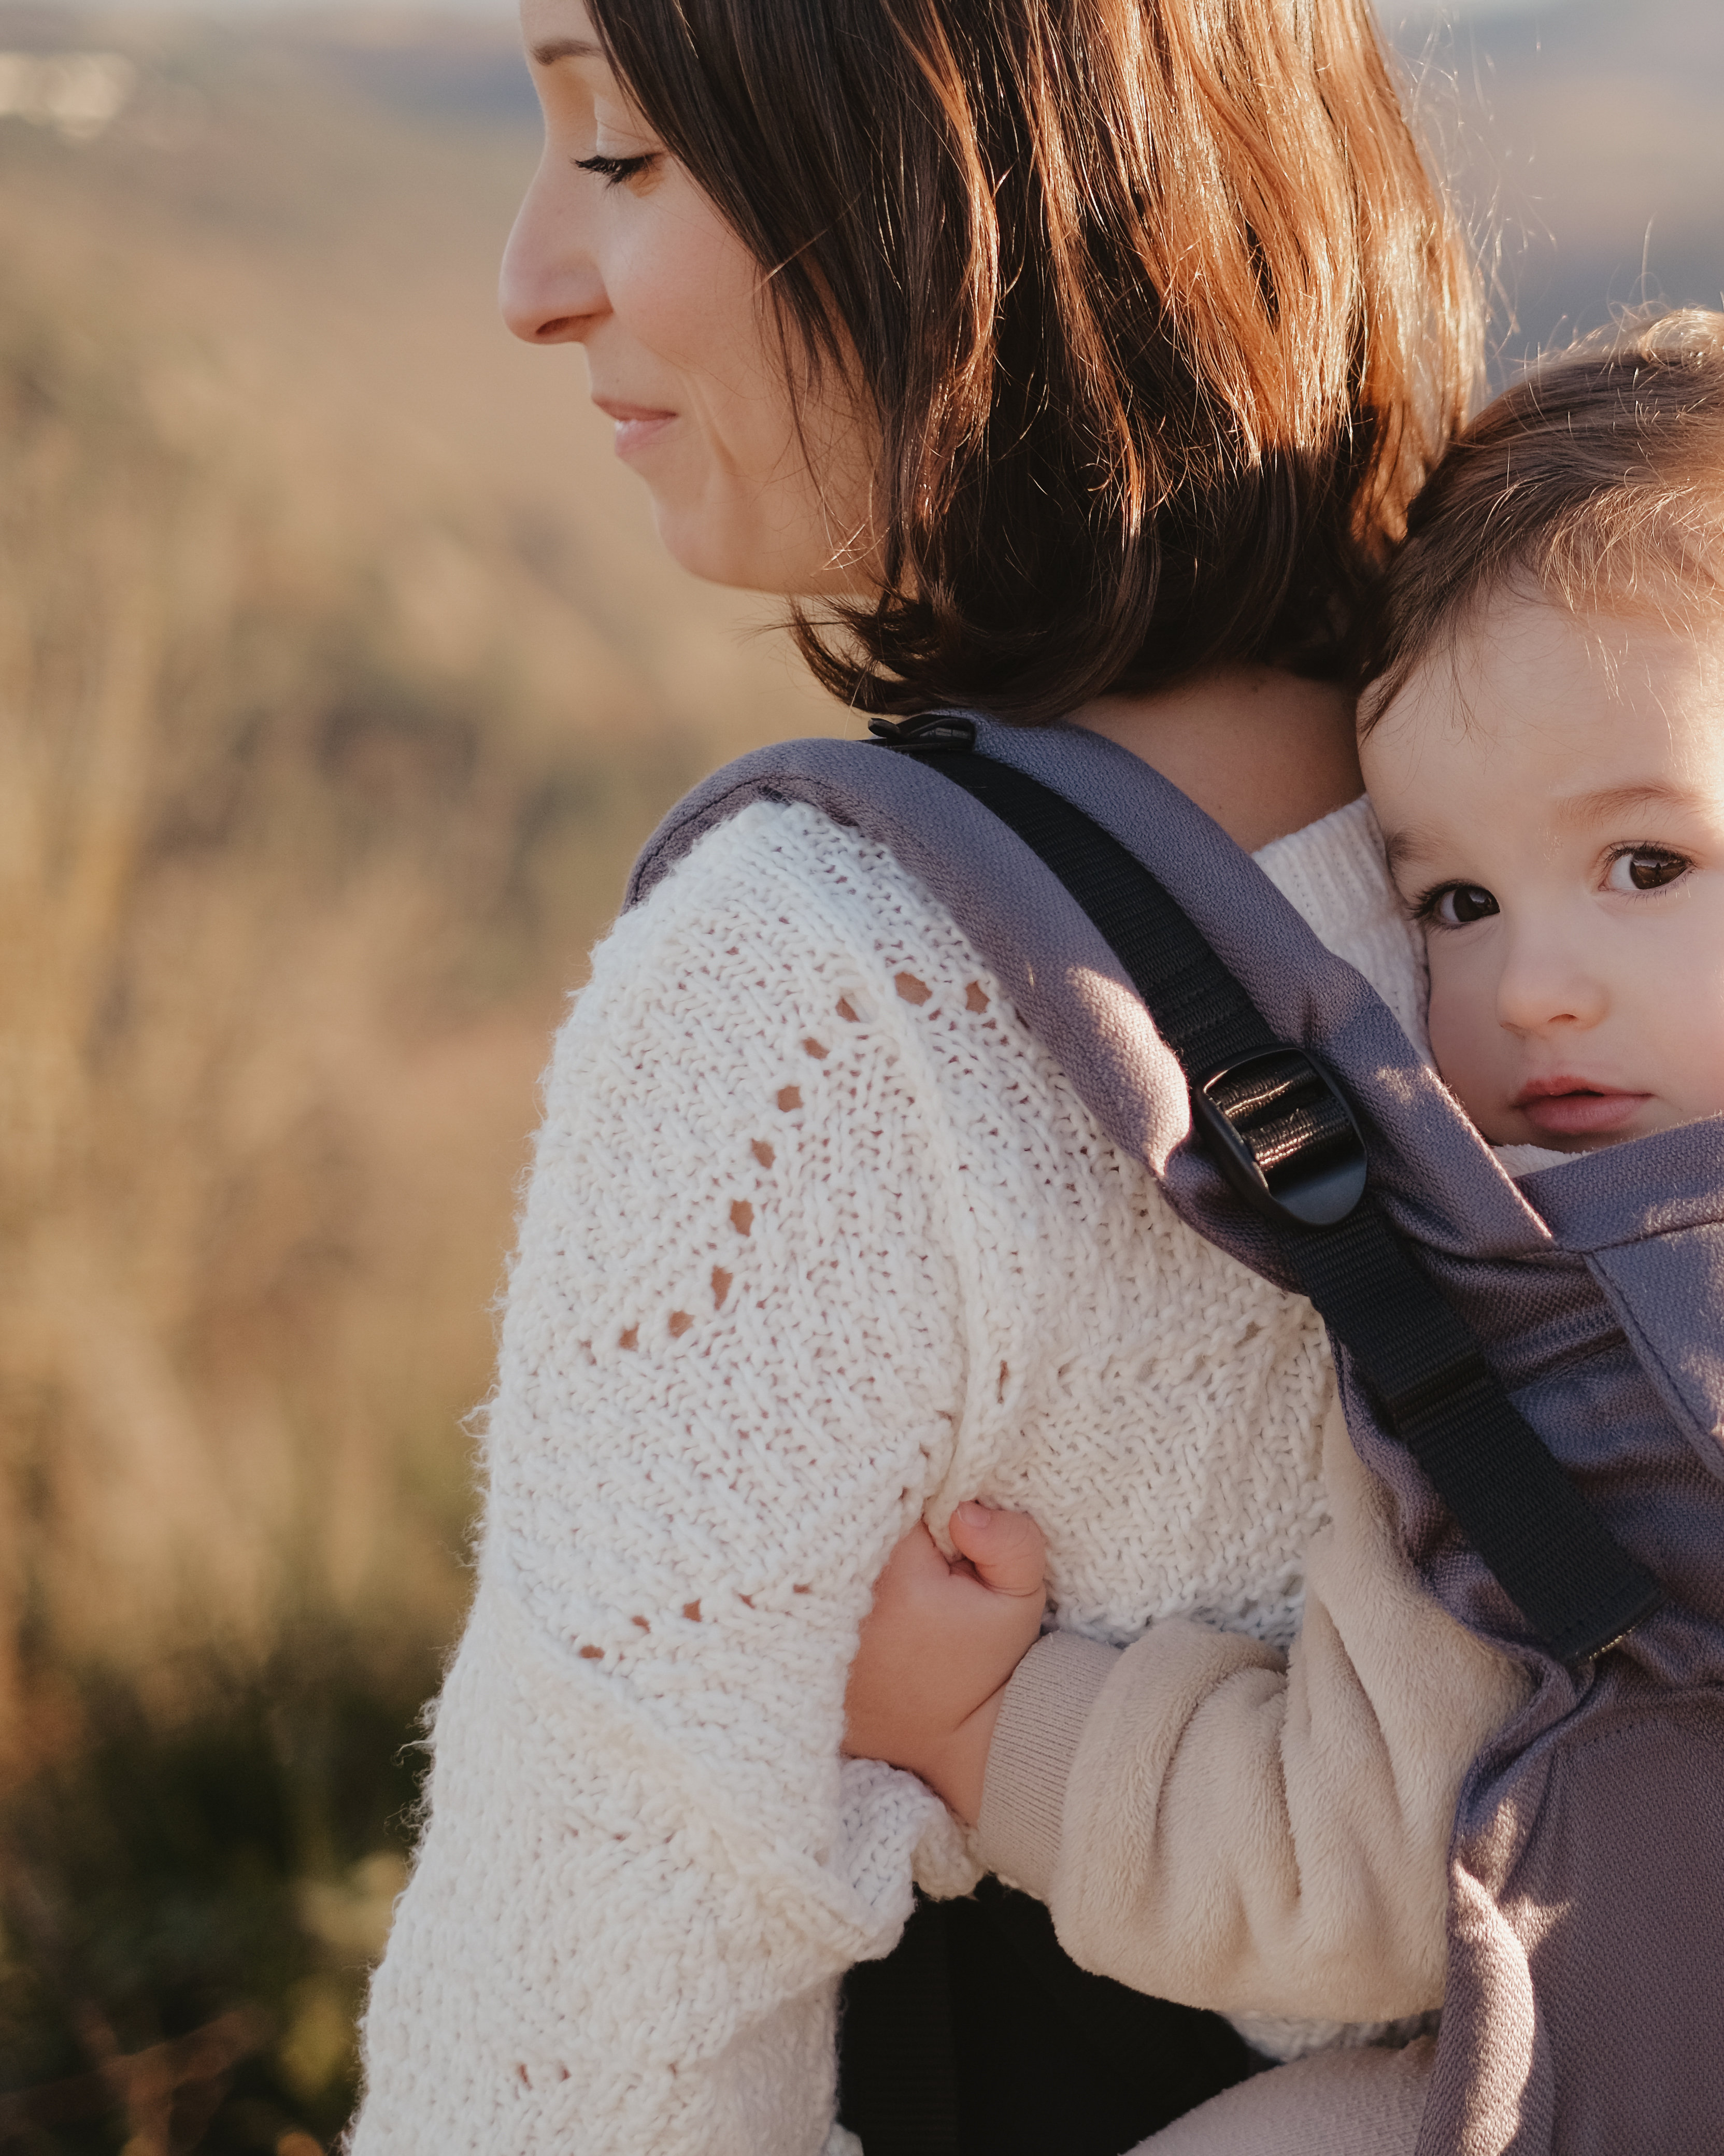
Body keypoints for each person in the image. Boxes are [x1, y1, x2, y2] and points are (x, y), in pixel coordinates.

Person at [844, 311, 1724, 2154]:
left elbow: (1341, 1874)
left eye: (1647, 865)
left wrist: (988, 1733)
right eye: (1453, 897)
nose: (1533, 989)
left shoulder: (1612, 1365)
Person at [347, 0, 1500, 2143]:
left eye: (619, 150)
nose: (531, 279)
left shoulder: (824, 986)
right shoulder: (1586, 850)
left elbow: (585, 2042)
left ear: (959, 164)